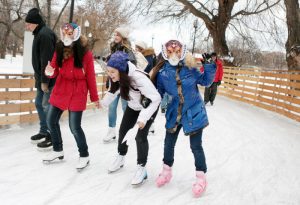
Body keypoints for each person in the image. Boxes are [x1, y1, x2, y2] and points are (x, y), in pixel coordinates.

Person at [150, 40, 216, 197]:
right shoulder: (163, 73)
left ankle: (201, 177)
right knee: (168, 143)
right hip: (175, 112)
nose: (174, 55)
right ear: (166, 53)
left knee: (196, 146)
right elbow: (158, 93)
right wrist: (148, 99)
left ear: (182, 52)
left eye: (177, 52)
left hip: (193, 112)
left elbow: (206, 81)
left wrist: (208, 66)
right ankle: (166, 172)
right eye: (170, 52)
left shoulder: (190, 68)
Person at [42, 23, 99, 170]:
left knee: (74, 127)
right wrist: (49, 71)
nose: (67, 36)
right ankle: (57, 150)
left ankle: (84, 155)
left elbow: (91, 77)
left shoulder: (85, 53)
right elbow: (54, 70)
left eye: (70, 33)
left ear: (76, 34)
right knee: (50, 120)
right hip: (61, 88)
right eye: (65, 33)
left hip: (77, 90)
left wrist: (94, 97)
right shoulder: (59, 48)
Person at [100, 51, 161, 186]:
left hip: (148, 108)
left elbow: (156, 99)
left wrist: (143, 119)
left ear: (121, 71)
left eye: (112, 72)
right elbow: (113, 90)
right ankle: (121, 157)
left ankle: (142, 168)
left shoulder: (139, 78)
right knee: (123, 132)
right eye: (108, 71)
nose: (110, 75)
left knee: (140, 137)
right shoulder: (118, 77)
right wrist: (103, 103)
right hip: (133, 107)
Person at [25, 8, 57, 150]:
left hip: (48, 80)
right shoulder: (39, 33)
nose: (27, 26)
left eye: (29, 23)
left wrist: (45, 81)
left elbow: (47, 61)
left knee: (46, 106)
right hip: (41, 79)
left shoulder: (44, 35)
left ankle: (51, 135)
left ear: (36, 23)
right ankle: (44, 130)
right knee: (39, 103)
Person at [103, 27, 137, 143]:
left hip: (123, 83)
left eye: (117, 35)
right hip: (114, 82)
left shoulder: (128, 49)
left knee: (125, 107)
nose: (115, 37)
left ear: (123, 37)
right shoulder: (113, 48)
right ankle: (111, 131)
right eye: (114, 35)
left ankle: (127, 130)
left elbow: (132, 65)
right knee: (112, 107)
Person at [135, 40, 157, 134]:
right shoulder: (147, 56)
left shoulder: (147, 57)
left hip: (147, 83)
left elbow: (145, 69)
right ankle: (150, 124)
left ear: (141, 49)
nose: (135, 49)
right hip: (146, 83)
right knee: (145, 103)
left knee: (146, 103)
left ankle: (150, 124)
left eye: (137, 47)